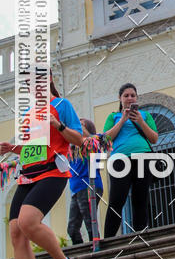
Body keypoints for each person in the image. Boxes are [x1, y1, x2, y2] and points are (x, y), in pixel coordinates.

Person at [0, 71, 83, 259]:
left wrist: (57, 125)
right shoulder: (28, 115)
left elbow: (78, 140)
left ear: (48, 79)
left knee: (27, 222)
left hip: (53, 173)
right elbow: (33, 150)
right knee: (16, 232)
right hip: (28, 175)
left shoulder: (61, 105)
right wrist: (13, 148)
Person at [103, 83, 158, 237]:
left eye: (132, 95)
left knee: (140, 197)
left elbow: (154, 138)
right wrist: (122, 120)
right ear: (120, 99)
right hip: (120, 160)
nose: (129, 98)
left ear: (137, 98)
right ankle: (108, 238)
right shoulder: (113, 116)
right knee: (116, 199)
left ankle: (140, 235)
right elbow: (106, 139)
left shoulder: (145, 115)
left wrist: (140, 121)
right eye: (126, 95)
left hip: (143, 157)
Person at [67, 118, 103, 246]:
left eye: (82, 125)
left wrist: (76, 125)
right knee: (72, 229)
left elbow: (93, 140)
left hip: (89, 186)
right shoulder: (71, 149)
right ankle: (83, 253)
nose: (77, 127)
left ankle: (97, 250)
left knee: (90, 222)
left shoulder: (93, 143)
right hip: (76, 190)